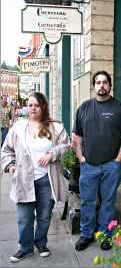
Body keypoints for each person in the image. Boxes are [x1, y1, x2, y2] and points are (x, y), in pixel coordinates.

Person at [1, 92, 70, 263]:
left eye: (37, 105)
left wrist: (52, 154)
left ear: (43, 107)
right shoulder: (17, 128)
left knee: (44, 217)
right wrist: (10, 166)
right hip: (24, 179)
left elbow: (67, 146)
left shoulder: (55, 127)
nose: (33, 108)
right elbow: (6, 150)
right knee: (24, 218)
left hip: (47, 180)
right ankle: (25, 248)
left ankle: (41, 243)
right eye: (30, 105)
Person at [72, 70, 121, 251]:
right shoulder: (84, 108)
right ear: (94, 86)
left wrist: (117, 161)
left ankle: (105, 234)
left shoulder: (119, 108)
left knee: (108, 201)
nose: (101, 85)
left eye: (105, 82)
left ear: (110, 85)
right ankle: (86, 234)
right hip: (88, 165)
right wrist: (81, 158)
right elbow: (76, 137)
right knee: (87, 202)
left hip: (110, 165)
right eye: (98, 82)